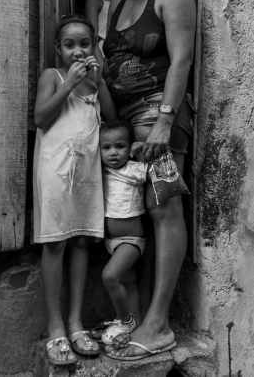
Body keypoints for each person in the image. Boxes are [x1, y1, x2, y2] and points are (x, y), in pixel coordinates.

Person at [102, 0, 196, 361]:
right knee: (141, 218)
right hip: (125, 128)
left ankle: (158, 325)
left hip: (159, 122)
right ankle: (143, 316)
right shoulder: (115, 2)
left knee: (164, 210)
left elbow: (181, 60)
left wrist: (163, 120)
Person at [33, 14, 117, 366]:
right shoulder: (53, 77)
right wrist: (68, 83)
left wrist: (100, 82)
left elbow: (111, 121)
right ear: (58, 50)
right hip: (55, 171)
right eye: (69, 45)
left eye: (85, 43)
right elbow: (41, 118)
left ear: (94, 47)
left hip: (85, 173)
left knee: (82, 239)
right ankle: (55, 327)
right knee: (56, 242)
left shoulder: (94, 85)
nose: (78, 51)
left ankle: (76, 321)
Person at [95, 120, 149, 345]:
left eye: (120, 146)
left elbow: (152, 169)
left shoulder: (135, 169)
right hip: (111, 242)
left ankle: (124, 320)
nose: (113, 152)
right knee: (128, 282)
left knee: (110, 276)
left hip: (131, 241)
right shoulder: (100, 172)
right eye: (106, 148)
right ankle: (134, 326)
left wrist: (142, 152)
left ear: (129, 148)